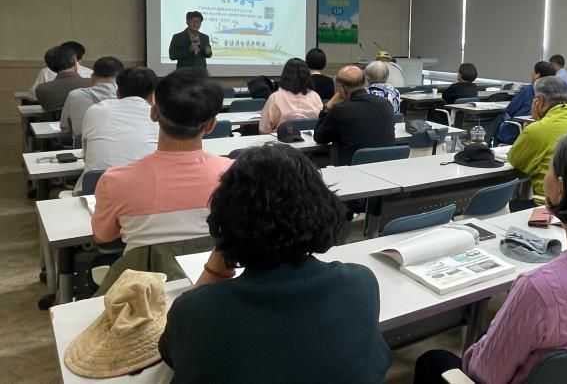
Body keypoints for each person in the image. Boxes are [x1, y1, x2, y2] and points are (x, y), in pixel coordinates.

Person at [413, 129, 567, 384]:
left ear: (560, 188)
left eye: (549, 168)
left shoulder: (539, 287)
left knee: (434, 360)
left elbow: (484, 373)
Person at [158, 145, 391, 383]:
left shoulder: (196, 311)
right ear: (322, 208)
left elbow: (170, 353)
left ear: (225, 221)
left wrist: (217, 263)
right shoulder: (361, 283)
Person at [91, 68, 231, 253]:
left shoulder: (115, 180)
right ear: (211, 125)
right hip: (211, 277)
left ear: (153, 113)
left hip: (145, 279)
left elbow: (103, 237)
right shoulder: (233, 175)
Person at [508, 77, 567, 199]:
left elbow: (515, 161)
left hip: (549, 204)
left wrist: (537, 121)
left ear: (539, 101)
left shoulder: (537, 129)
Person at [80, 67, 160, 189]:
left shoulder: (95, 110)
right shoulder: (161, 116)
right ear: (153, 95)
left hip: (96, 189)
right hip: (147, 189)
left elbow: (86, 157)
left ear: (117, 92)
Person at [314, 65, 395, 166]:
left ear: (341, 88)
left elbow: (319, 137)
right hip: (385, 167)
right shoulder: (385, 104)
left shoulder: (340, 110)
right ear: (365, 82)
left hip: (351, 169)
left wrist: (328, 107)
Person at [60, 56, 124, 138]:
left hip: (82, 147)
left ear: (93, 76)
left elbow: (64, 127)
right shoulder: (127, 98)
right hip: (119, 146)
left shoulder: (74, 95)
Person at [495, 61, 555, 145]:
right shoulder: (554, 93)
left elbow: (510, 110)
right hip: (541, 133)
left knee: (498, 117)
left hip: (516, 132)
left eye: (533, 72)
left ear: (537, 75)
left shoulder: (527, 90)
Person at [259, 58, 322, 134]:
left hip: (282, 143)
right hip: (311, 141)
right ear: (307, 76)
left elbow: (264, 129)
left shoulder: (275, 98)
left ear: (285, 75)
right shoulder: (315, 96)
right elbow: (320, 122)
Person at [35, 45, 92, 112]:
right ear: (75, 60)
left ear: (50, 67)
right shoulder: (92, 84)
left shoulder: (41, 89)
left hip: (53, 122)